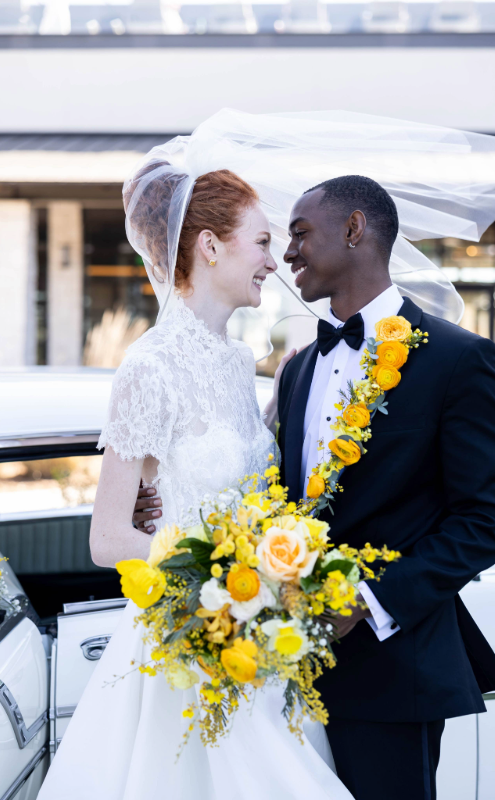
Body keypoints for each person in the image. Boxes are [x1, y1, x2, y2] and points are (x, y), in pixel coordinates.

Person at [37, 166, 353, 800]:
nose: (277, 260)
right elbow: (107, 538)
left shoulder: (240, 363)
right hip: (189, 648)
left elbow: (237, 470)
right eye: (262, 242)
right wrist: (226, 572)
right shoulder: (149, 366)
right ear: (210, 246)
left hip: (257, 642)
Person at [275, 175, 495, 799]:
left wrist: (368, 603)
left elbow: (486, 519)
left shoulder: (459, 359)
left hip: (395, 673)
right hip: (285, 672)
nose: (288, 253)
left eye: (301, 234)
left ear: (354, 229)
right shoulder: (298, 368)